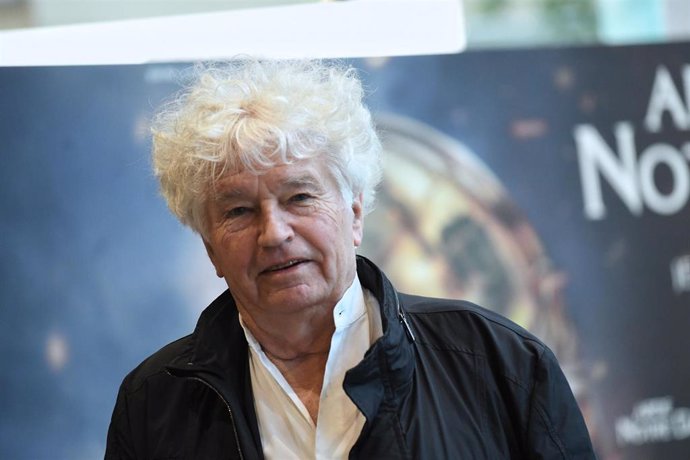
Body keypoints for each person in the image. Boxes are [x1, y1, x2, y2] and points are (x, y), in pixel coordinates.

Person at [105, 59, 595, 459]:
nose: (274, 233)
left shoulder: (499, 363)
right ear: (210, 246)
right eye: (238, 210)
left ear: (355, 212)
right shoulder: (153, 406)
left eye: (299, 197)